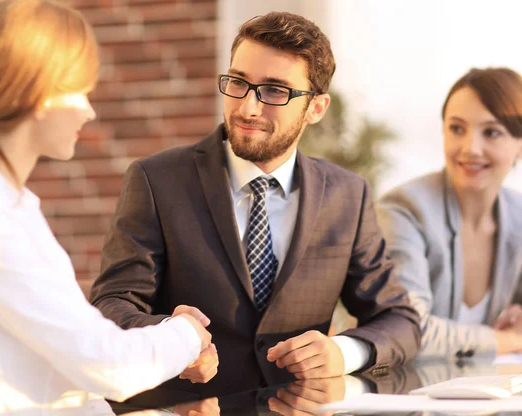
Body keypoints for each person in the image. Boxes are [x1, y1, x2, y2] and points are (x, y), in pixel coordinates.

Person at [90, 11, 421, 397]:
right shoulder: (157, 180)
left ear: (316, 108)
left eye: (275, 91)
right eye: (238, 83)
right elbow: (111, 306)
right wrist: (170, 339)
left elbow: (399, 319)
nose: (247, 108)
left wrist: (343, 352)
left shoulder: (348, 195)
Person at [0, 0, 213, 414]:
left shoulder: (5, 209)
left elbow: (59, 374)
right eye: (82, 91)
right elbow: (108, 365)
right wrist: (186, 334)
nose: (89, 111)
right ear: (41, 94)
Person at [376, 67, 522, 360]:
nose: (470, 148)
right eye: (457, 129)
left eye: (491, 132)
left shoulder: (518, 215)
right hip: (399, 394)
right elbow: (409, 331)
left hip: (479, 398)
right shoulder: (404, 209)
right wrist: (507, 339)